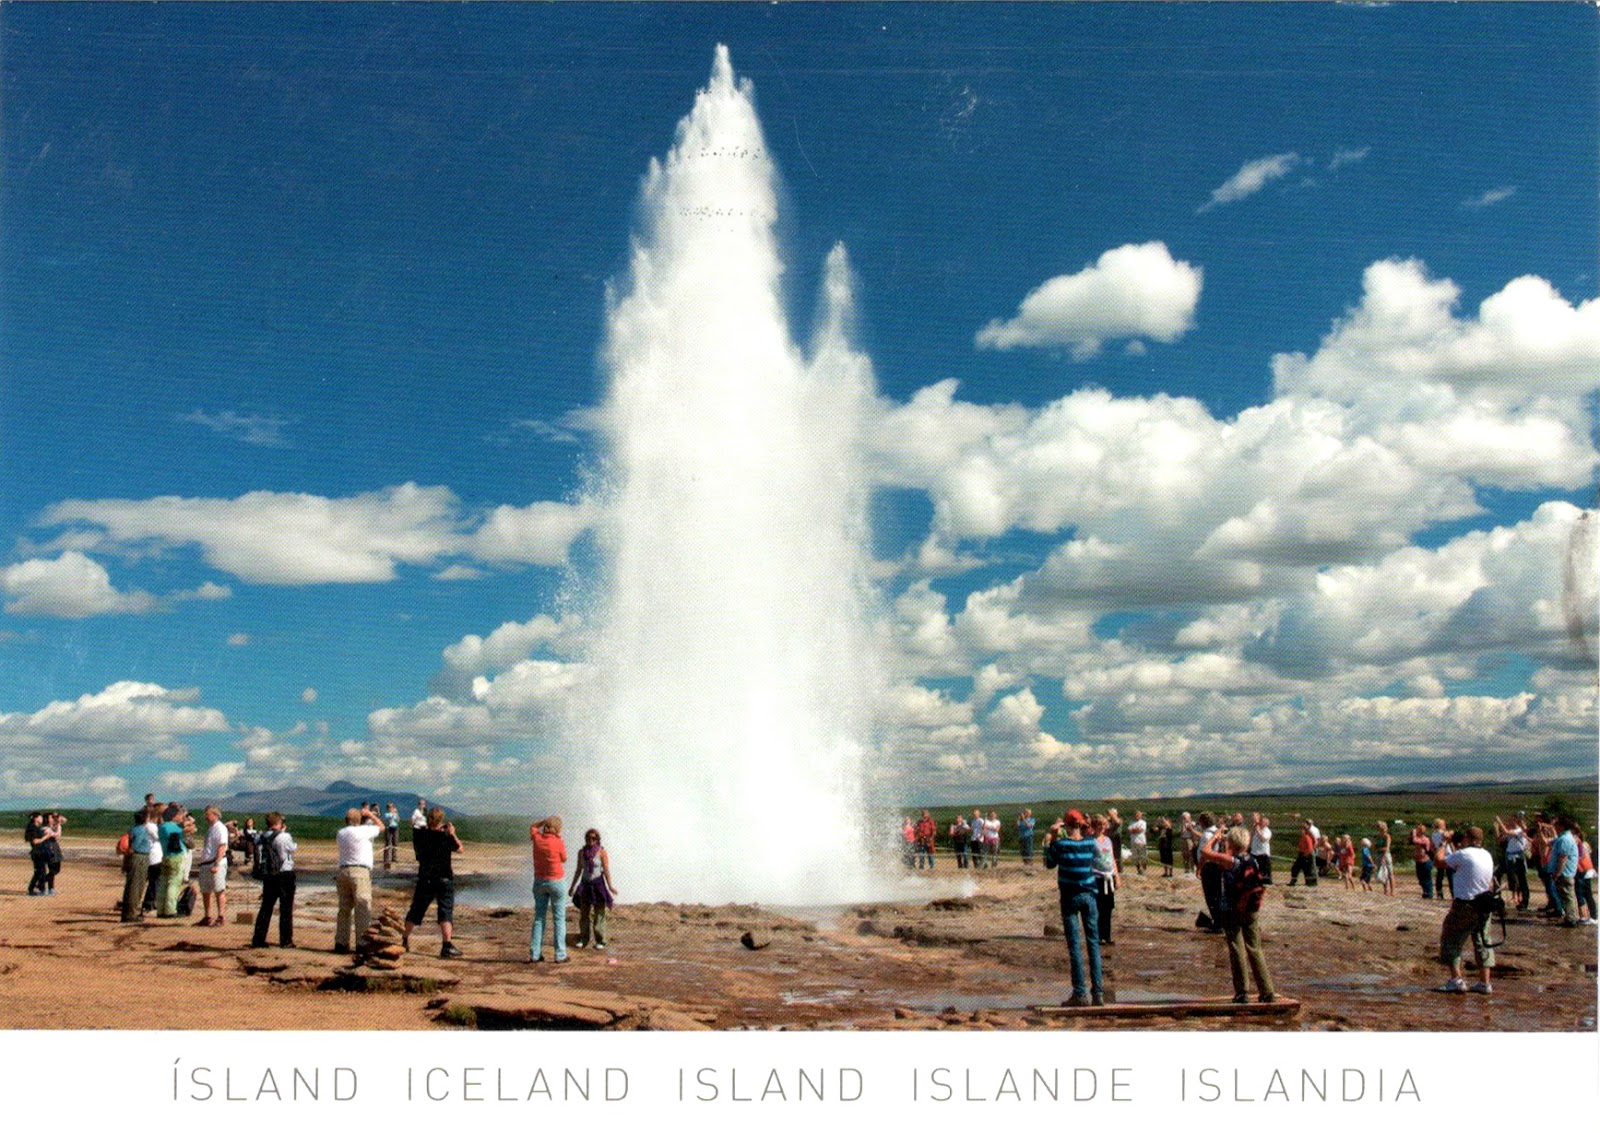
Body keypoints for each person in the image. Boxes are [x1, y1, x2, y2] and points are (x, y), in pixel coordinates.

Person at [1201, 824, 1275, 1004]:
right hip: (1251, 909)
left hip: (1232, 908)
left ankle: (1242, 992)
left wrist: (1216, 836)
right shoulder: (1253, 860)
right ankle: (1267, 991)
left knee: (1236, 948)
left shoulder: (1231, 861)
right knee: (1255, 948)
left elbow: (1205, 852)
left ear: (1231, 843)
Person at [1043, 809, 1103, 1006]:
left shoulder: (1061, 845)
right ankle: (1098, 993)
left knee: (1075, 945)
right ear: (1080, 825)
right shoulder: (1090, 843)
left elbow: (1049, 863)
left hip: (1070, 896)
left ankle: (1080, 993)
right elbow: (1098, 860)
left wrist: (1051, 839)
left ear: (1066, 825)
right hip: (1089, 895)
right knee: (1093, 944)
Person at [1434, 827, 1497, 994]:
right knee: (1483, 941)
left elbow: (1438, 861)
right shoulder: (1487, 854)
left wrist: (1443, 843)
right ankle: (1485, 982)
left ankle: (1456, 980)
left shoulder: (1464, 854)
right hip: (1484, 904)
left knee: (1451, 939)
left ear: (1468, 838)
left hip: (1465, 904)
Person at [404, 807, 463, 958]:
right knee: (445, 911)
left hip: (425, 878)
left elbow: (415, 827)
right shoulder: (445, 836)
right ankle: (446, 945)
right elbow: (460, 848)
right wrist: (452, 833)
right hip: (444, 878)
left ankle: (404, 939)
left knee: (416, 909)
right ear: (441, 820)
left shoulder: (420, 834)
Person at [333, 805, 385, 954]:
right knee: (362, 908)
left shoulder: (341, 833)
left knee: (344, 909)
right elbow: (382, 827)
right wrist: (371, 815)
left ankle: (341, 943)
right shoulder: (364, 831)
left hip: (343, 870)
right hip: (360, 871)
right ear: (360, 820)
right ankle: (362, 944)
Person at [250, 812, 297, 949]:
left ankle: (258, 939)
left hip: (268, 874)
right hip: (284, 873)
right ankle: (286, 940)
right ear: (278, 823)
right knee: (286, 908)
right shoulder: (283, 836)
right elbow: (291, 849)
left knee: (266, 907)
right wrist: (284, 832)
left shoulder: (262, 836)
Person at [529, 815, 568, 962]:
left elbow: (533, 827)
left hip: (539, 882)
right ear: (558, 829)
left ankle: (535, 954)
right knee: (559, 919)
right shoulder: (558, 841)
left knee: (539, 918)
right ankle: (560, 955)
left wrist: (543, 821)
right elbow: (564, 859)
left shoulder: (537, 838)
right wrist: (558, 837)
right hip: (556, 882)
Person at [569, 828, 617, 950]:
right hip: (585, 885)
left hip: (598, 884)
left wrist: (610, 886)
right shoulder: (581, 852)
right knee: (584, 914)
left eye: (593, 838)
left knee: (599, 914)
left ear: (597, 839)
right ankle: (583, 939)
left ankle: (600, 941)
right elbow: (578, 870)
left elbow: (606, 869)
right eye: (588, 838)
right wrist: (572, 886)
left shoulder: (602, 852)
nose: (591, 840)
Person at [194, 804, 230, 927]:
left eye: (207, 814)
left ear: (215, 814)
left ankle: (221, 916)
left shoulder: (220, 828)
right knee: (205, 890)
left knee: (219, 889)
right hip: (206, 862)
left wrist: (217, 863)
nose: (205, 816)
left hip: (215, 862)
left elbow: (222, 846)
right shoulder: (211, 828)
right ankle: (207, 916)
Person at [1090, 814, 1118, 945]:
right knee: (1098, 907)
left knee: (1108, 907)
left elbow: (1112, 858)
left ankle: (1107, 935)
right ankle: (1098, 936)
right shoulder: (1090, 841)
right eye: (1099, 825)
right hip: (1096, 877)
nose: (1102, 827)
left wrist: (1117, 876)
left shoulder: (1108, 840)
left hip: (1109, 877)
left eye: (1104, 825)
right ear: (1094, 826)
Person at [1547, 817, 1580, 927]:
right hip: (1566, 873)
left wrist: (1557, 873)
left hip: (1564, 873)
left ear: (1561, 826)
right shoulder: (1564, 838)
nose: (1554, 827)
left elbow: (1563, 857)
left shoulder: (1565, 839)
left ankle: (1571, 919)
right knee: (1568, 896)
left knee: (1567, 897)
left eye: (1556, 825)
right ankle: (1571, 917)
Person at [120, 808, 151, 921]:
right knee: (136, 887)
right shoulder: (141, 830)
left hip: (136, 858)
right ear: (145, 819)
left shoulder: (133, 829)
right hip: (139, 858)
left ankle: (129, 912)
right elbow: (134, 847)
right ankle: (131, 913)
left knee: (132, 885)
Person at [1494, 814, 1531, 910]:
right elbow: (1500, 839)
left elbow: (1507, 832)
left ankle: (1524, 900)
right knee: (1510, 877)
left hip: (1517, 857)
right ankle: (1499, 897)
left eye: (1511, 820)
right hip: (1510, 857)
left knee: (1520, 879)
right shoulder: (1512, 831)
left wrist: (1499, 821)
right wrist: (1497, 829)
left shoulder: (1519, 830)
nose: (1509, 822)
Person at [156, 804, 187, 916]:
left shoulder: (162, 827)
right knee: (174, 884)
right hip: (176, 857)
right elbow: (187, 832)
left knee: (164, 884)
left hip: (166, 856)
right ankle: (170, 910)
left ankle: (161, 909)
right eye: (179, 815)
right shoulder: (174, 828)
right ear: (174, 816)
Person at [24, 811, 51, 896]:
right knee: (41, 871)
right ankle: (40, 889)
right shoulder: (32, 828)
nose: (42, 819)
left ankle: (32, 889)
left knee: (39, 872)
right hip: (37, 852)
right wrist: (46, 837)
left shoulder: (35, 827)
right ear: (36, 819)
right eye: (40, 817)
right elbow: (35, 841)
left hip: (40, 852)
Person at [1410, 823, 1435, 898]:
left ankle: (1429, 894)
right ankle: (1425, 891)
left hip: (1425, 862)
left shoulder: (1425, 839)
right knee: (1420, 879)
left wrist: (1414, 834)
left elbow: (1415, 841)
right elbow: (1411, 841)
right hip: (1418, 862)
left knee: (1427, 878)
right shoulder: (1417, 838)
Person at [1289, 820, 1317, 887]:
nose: (1301, 831)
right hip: (1303, 853)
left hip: (1307, 854)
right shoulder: (1304, 836)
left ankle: (1311, 882)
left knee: (1309, 869)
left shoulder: (1308, 835)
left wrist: (1306, 854)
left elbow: (1310, 846)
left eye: (1302, 830)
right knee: (1297, 868)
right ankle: (1294, 880)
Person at [1249, 813, 1273, 884]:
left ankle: (1266, 881)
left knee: (1264, 869)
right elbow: (1250, 836)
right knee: (1254, 868)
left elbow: (1263, 839)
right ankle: (1255, 880)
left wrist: (1258, 830)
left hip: (1263, 853)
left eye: (1262, 822)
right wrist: (1254, 828)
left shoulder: (1267, 831)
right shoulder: (1257, 829)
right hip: (1254, 852)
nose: (1260, 823)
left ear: (1266, 824)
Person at [1375, 822, 1395, 897]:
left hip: (1386, 855)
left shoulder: (1387, 836)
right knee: (1383, 872)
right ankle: (1385, 890)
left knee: (1390, 873)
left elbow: (1387, 847)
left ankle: (1392, 891)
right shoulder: (1378, 836)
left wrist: (1381, 852)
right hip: (1379, 855)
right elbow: (1375, 846)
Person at [383, 803, 401, 869]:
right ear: (388, 808)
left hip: (395, 828)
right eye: (389, 807)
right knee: (388, 843)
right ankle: (386, 858)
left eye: (392, 807)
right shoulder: (386, 814)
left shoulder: (395, 814)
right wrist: (393, 813)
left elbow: (398, 820)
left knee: (395, 843)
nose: (391, 808)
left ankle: (394, 858)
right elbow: (389, 819)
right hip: (389, 828)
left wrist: (397, 814)